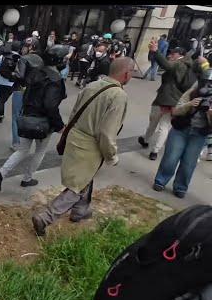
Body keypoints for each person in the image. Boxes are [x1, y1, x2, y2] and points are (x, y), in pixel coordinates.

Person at [31, 57, 134, 236]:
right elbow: (107, 133)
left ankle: (80, 211)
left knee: (84, 177)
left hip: (75, 137)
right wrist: (112, 156)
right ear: (126, 73)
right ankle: (45, 217)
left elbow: (74, 113)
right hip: (91, 145)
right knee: (76, 186)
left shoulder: (93, 85)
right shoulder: (119, 95)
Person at [0, 45, 68, 191]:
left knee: (22, 149)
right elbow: (51, 106)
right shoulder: (55, 79)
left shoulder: (36, 72)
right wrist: (59, 125)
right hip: (43, 121)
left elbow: (27, 94)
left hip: (28, 116)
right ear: (58, 60)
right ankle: (27, 178)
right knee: (40, 151)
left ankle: (2, 172)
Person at [153, 67, 212, 198]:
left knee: (189, 163)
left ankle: (180, 187)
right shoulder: (193, 92)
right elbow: (175, 111)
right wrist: (190, 104)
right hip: (181, 129)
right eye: (206, 83)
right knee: (171, 158)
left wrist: (209, 113)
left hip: (199, 134)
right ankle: (160, 180)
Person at [139, 43, 200, 160]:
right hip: (176, 100)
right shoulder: (189, 66)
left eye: (174, 53)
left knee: (154, 122)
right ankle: (155, 151)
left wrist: (156, 52)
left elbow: (166, 65)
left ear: (181, 55)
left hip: (165, 98)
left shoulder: (179, 64)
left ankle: (146, 141)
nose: (171, 55)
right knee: (164, 126)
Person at [0, 40, 21, 129]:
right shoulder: (19, 58)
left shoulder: (3, 56)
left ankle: (1, 116)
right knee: (2, 100)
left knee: (1, 99)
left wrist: (1, 73)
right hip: (10, 83)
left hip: (0, 81)